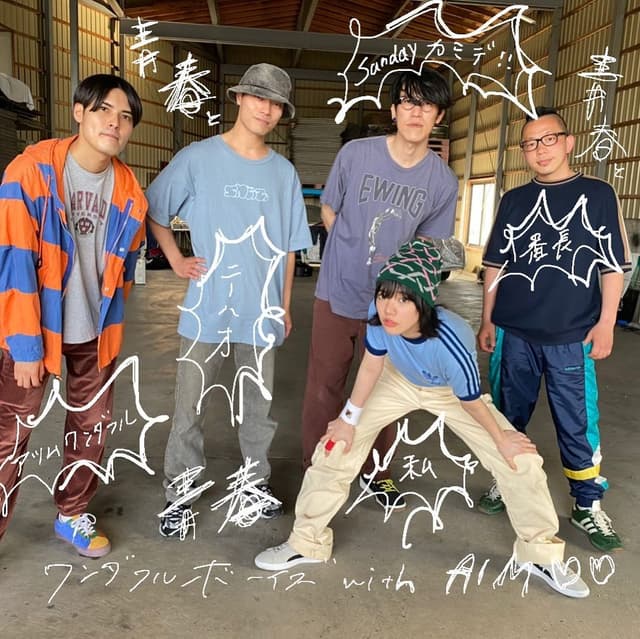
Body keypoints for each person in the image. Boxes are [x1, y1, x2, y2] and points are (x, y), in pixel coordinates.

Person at [254, 240, 589, 599]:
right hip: (396, 378)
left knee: (520, 461)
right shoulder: (379, 314)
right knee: (335, 445)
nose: (389, 307)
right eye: (384, 294)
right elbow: (371, 365)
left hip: (448, 391)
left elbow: (471, 401)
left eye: (403, 299)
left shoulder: (452, 340)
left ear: (424, 301)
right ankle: (306, 543)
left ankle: (540, 555)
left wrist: (502, 439)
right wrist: (348, 420)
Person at [146, 63, 312, 538]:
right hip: (206, 309)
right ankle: (180, 493)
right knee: (190, 406)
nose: (266, 109)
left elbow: (288, 248)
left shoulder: (283, 173)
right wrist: (177, 260)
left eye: (276, 104)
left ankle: (254, 485)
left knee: (258, 409)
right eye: (258, 97)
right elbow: (155, 209)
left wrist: (283, 305)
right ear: (238, 98)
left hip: (259, 312)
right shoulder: (198, 158)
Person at [0, 74, 146, 557]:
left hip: (95, 330)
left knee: (92, 425)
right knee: (11, 432)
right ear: (79, 112)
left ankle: (72, 514)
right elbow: (14, 261)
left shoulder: (130, 192)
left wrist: (109, 325)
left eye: (125, 117)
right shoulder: (29, 172)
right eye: (104, 110)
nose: (114, 123)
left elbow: (124, 270)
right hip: (34, 326)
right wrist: (25, 345)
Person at [302, 69, 458, 510]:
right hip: (338, 292)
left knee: (385, 392)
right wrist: (349, 255)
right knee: (324, 387)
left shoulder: (442, 181)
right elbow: (329, 211)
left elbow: (427, 247)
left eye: (426, 105)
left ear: (438, 116)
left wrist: (403, 300)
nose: (416, 113)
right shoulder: (356, 154)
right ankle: (317, 468)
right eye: (407, 102)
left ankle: (378, 472)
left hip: (394, 306)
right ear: (393, 110)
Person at [476, 107, 631, 552]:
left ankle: (587, 503)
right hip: (514, 332)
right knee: (507, 415)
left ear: (568, 142)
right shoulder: (514, 200)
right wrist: (487, 319)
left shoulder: (597, 195)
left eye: (548, 139)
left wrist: (606, 323)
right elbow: (495, 265)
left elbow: (613, 266)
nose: (539, 150)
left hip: (571, 335)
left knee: (577, 423)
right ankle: (506, 481)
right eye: (530, 143)